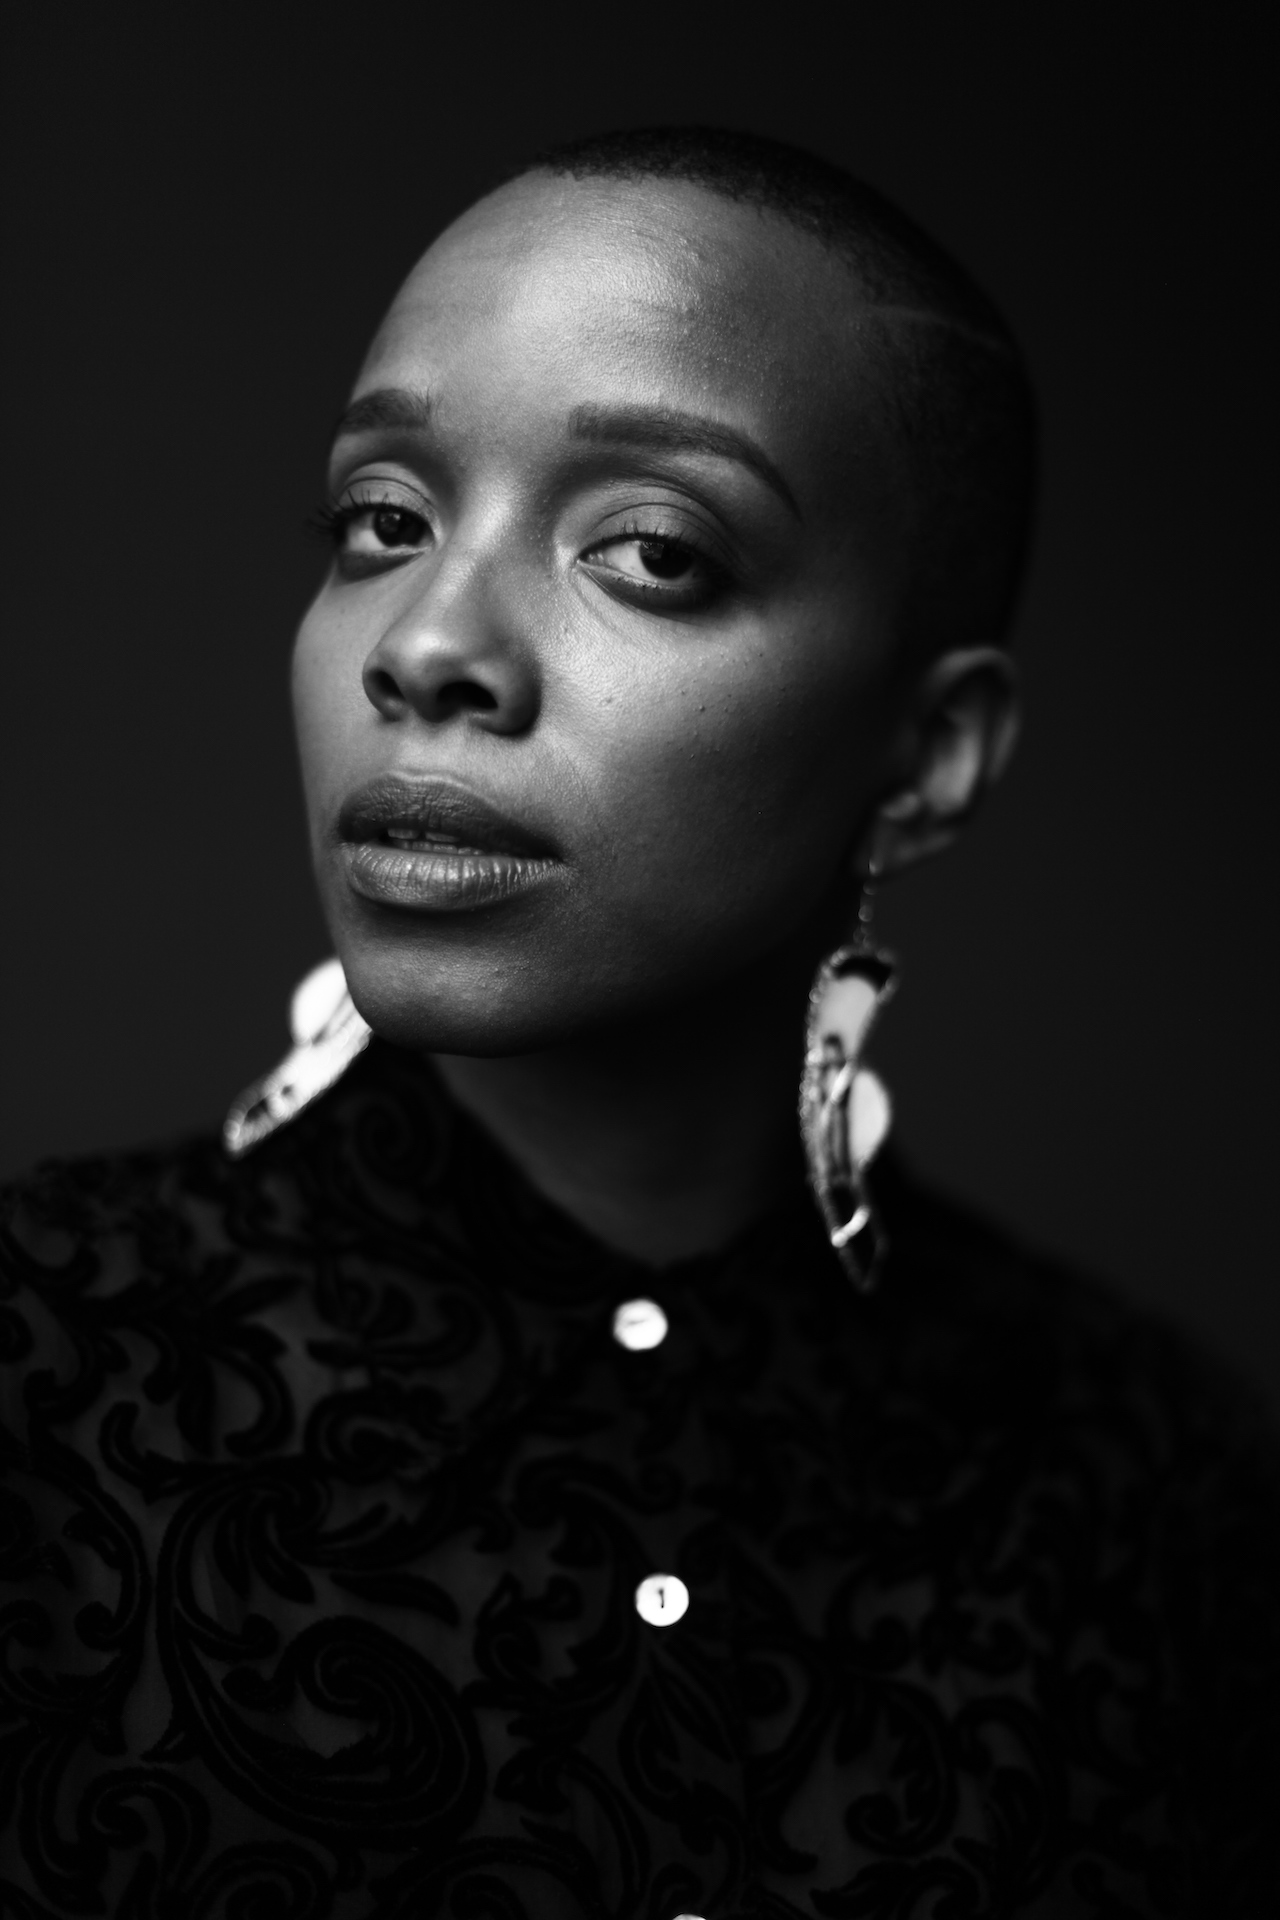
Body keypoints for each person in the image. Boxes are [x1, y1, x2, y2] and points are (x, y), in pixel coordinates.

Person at [2, 126, 1275, 1920]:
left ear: (928, 756)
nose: (428, 643)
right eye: (383, 521)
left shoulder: (1163, 1494)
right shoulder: (38, 1370)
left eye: (653, 552)